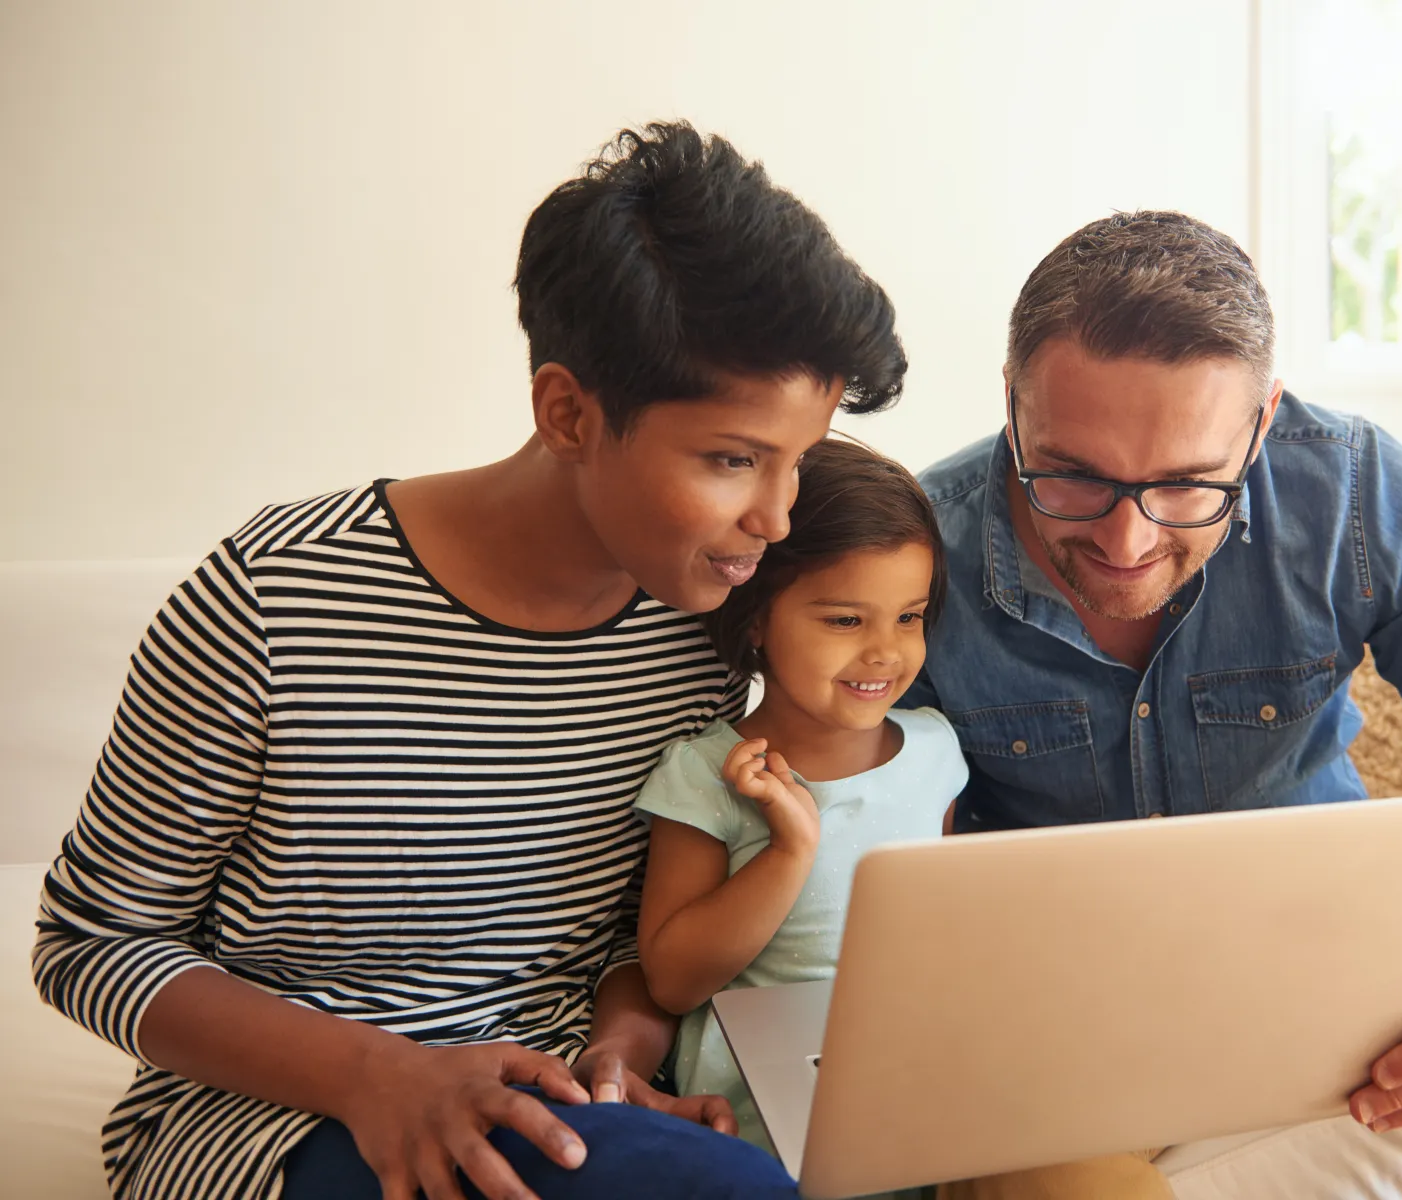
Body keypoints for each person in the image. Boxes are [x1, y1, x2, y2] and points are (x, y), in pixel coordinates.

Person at [31, 121, 907, 1200]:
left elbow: (630, 942)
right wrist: (380, 1075)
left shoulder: (697, 631)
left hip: (562, 1109)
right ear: (567, 412)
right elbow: (90, 944)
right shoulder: (275, 598)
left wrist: (623, 1050)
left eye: (798, 463)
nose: (776, 519)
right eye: (732, 461)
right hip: (263, 1121)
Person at [904, 210, 1402, 1198]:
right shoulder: (911, 558)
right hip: (1066, 1036)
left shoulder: (1354, 494)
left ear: (1262, 427)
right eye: (1071, 476)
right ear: (1011, 408)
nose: (1127, 542)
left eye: (1188, 486)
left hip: (1345, 984)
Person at [635, 436, 1173, 1199]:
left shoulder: (933, 747)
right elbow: (673, 981)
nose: (885, 653)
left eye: (910, 617)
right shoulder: (707, 774)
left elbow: (946, 928)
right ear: (757, 619)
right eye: (845, 621)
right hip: (787, 1125)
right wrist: (788, 853)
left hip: (934, 1079)